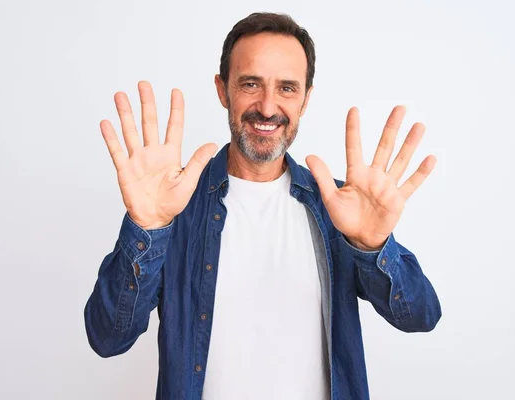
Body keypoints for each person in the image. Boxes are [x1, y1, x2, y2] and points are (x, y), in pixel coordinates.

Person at [84, 12, 441, 400]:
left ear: (306, 99)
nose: (268, 107)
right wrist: (147, 228)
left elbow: (420, 316)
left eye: (287, 88)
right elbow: (107, 336)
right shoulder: (172, 207)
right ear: (223, 90)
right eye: (251, 84)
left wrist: (373, 247)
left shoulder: (340, 208)